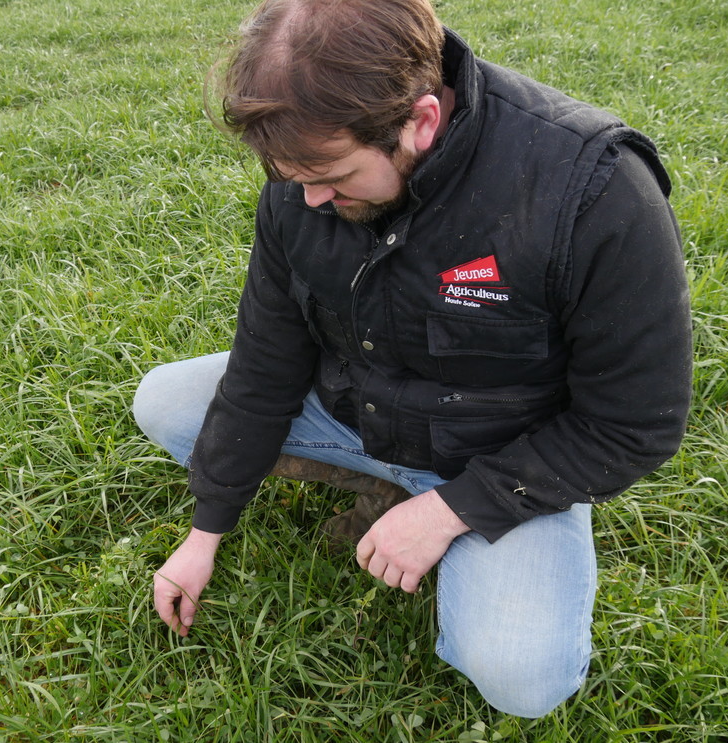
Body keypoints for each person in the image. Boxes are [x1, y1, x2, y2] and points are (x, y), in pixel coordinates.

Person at [132, 0, 691, 718]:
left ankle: (449, 514)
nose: (310, 198)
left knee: (521, 677)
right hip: (353, 411)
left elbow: (634, 424)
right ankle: (381, 482)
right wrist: (205, 530)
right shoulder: (304, 181)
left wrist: (454, 508)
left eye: (333, 175)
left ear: (420, 122)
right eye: (289, 176)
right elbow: (267, 361)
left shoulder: (592, 192)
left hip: (500, 451)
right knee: (166, 403)